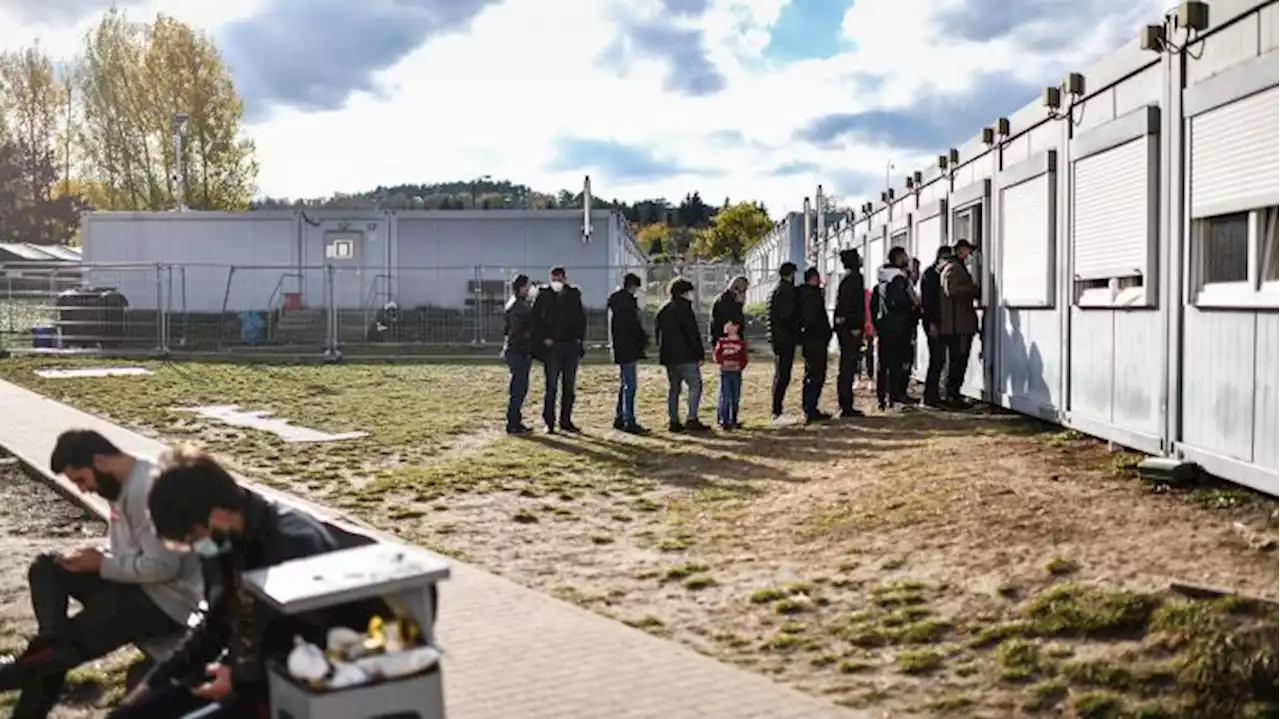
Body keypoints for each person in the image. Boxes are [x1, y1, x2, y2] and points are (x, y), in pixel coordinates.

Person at [110, 447, 383, 719]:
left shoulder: (292, 544)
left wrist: (239, 680)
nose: (197, 549)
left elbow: (318, 643)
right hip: (244, 676)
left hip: (298, 690)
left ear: (216, 513)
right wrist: (149, 687)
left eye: (193, 539)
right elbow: (213, 628)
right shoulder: (224, 544)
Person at [0, 430, 204, 719]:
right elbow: (133, 546)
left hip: (163, 603)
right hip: (132, 585)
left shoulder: (149, 490)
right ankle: (51, 641)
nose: (83, 490)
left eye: (81, 479)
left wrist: (102, 564)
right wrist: (97, 554)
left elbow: (165, 567)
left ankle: (27, 665)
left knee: (60, 651)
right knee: (48, 567)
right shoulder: (120, 483)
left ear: (99, 461)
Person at [531, 266, 586, 433]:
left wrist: (579, 339)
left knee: (569, 386)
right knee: (551, 386)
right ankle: (549, 422)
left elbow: (581, 318)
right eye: (554, 278)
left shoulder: (574, 294)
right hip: (553, 346)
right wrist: (543, 338)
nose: (557, 281)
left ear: (564, 278)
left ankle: (565, 420)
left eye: (559, 278)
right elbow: (536, 319)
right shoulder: (544, 295)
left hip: (570, 345)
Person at [655, 277, 709, 432]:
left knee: (674, 389)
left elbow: (658, 333)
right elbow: (692, 333)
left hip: (669, 356)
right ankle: (691, 417)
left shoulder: (663, 309)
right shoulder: (685, 309)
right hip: (686, 355)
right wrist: (699, 354)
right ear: (683, 293)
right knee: (695, 385)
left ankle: (673, 420)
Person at [871, 247, 917, 410]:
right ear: (898, 258)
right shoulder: (898, 279)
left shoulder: (882, 279)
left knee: (883, 364)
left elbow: (874, 304)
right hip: (898, 327)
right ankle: (895, 397)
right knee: (897, 363)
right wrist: (913, 305)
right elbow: (899, 303)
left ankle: (882, 398)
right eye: (904, 256)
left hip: (884, 326)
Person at [940, 239, 980, 407]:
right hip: (958, 324)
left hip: (960, 323)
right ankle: (952, 394)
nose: (968, 254)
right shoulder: (954, 268)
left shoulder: (954, 266)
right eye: (966, 250)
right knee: (958, 359)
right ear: (959, 250)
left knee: (958, 359)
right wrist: (973, 289)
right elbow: (952, 290)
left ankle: (953, 393)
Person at [608, 272, 649, 434]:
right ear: (632, 286)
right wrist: (643, 340)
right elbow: (633, 327)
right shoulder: (627, 305)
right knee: (630, 385)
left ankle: (620, 416)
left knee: (625, 384)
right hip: (629, 348)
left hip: (621, 347)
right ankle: (629, 420)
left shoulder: (617, 302)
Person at [832, 249, 866, 419]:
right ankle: (845, 405)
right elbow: (850, 305)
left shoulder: (848, 277)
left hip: (846, 328)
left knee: (848, 365)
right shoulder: (853, 278)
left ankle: (846, 404)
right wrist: (854, 326)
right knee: (848, 366)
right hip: (850, 330)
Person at [765, 262, 800, 421]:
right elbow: (788, 316)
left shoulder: (776, 290)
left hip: (778, 337)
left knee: (780, 373)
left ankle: (776, 408)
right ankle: (777, 410)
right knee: (783, 375)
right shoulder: (786, 291)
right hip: (785, 338)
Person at [919, 246, 953, 407]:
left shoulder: (933, 274)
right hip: (933, 322)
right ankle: (930, 397)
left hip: (937, 321)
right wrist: (932, 323)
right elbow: (929, 302)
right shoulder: (931, 275)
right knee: (937, 359)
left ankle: (933, 395)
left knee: (939, 359)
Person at [798, 267, 833, 422]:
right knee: (817, 374)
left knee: (810, 373)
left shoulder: (802, 294)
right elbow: (814, 317)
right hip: (816, 338)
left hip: (808, 339)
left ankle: (808, 406)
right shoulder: (812, 296)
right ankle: (811, 408)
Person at [502, 274, 534, 434]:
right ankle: (512, 422)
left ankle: (515, 420)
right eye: (527, 286)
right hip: (518, 352)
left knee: (519, 388)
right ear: (521, 287)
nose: (529, 289)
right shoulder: (519, 307)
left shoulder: (514, 304)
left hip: (515, 351)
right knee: (518, 388)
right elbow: (517, 331)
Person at [713, 320, 748, 430]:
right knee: (725, 395)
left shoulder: (740, 343)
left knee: (735, 396)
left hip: (736, 373)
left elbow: (744, 358)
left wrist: (740, 366)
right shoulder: (722, 342)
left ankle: (734, 419)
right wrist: (723, 363)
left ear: (736, 327)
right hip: (725, 372)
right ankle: (724, 420)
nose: (727, 327)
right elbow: (717, 355)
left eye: (730, 325)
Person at [709, 276, 748, 345]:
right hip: (726, 340)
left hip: (722, 338)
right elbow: (734, 321)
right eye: (744, 290)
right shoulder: (727, 301)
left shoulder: (725, 298)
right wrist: (739, 304)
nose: (744, 294)